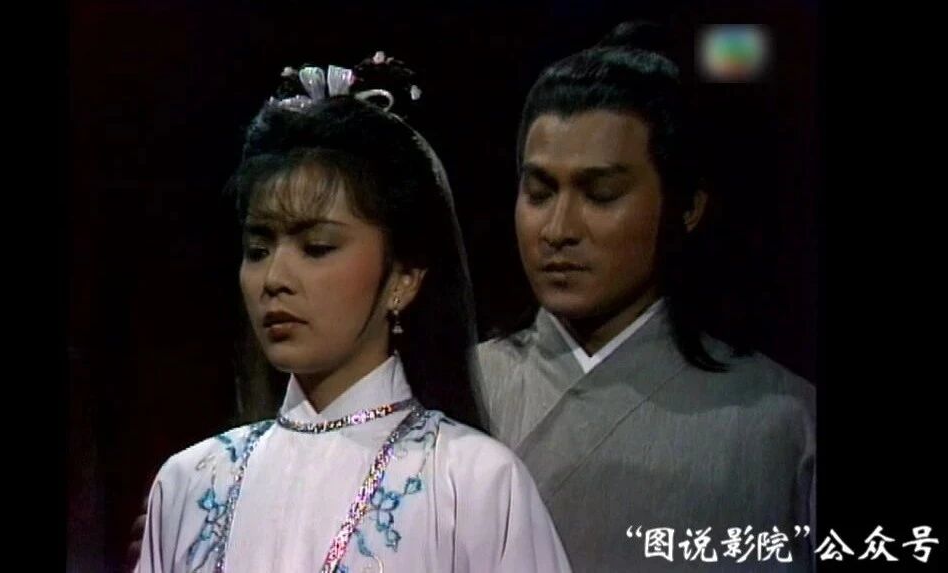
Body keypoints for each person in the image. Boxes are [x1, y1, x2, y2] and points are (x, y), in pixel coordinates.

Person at [134, 52, 571, 573]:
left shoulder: (473, 485)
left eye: (316, 247)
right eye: (258, 249)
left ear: (404, 277)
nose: (275, 278)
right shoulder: (189, 483)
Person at [475, 22, 816, 572]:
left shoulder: (782, 425)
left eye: (601, 194)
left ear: (686, 207)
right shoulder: (449, 386)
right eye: (539, 192)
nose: (558, 229)